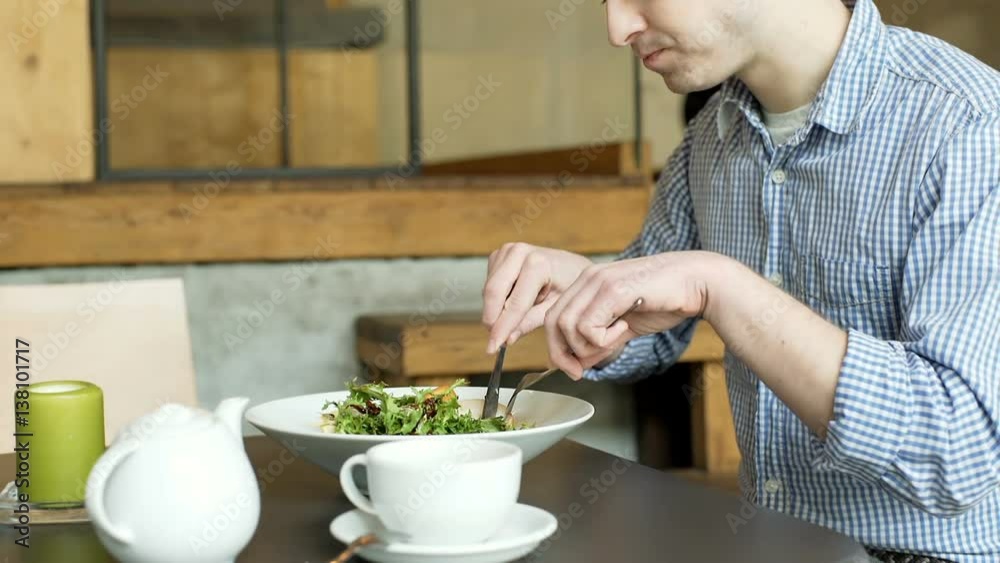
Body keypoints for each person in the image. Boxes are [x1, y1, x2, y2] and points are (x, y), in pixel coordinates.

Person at [481, 0, 1000, 561]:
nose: (617, 28)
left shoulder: (969, 124)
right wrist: (585, 290)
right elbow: (654, 326)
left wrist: (724, 288)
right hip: (765, 544)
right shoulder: (711, 135)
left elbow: (961, 452)